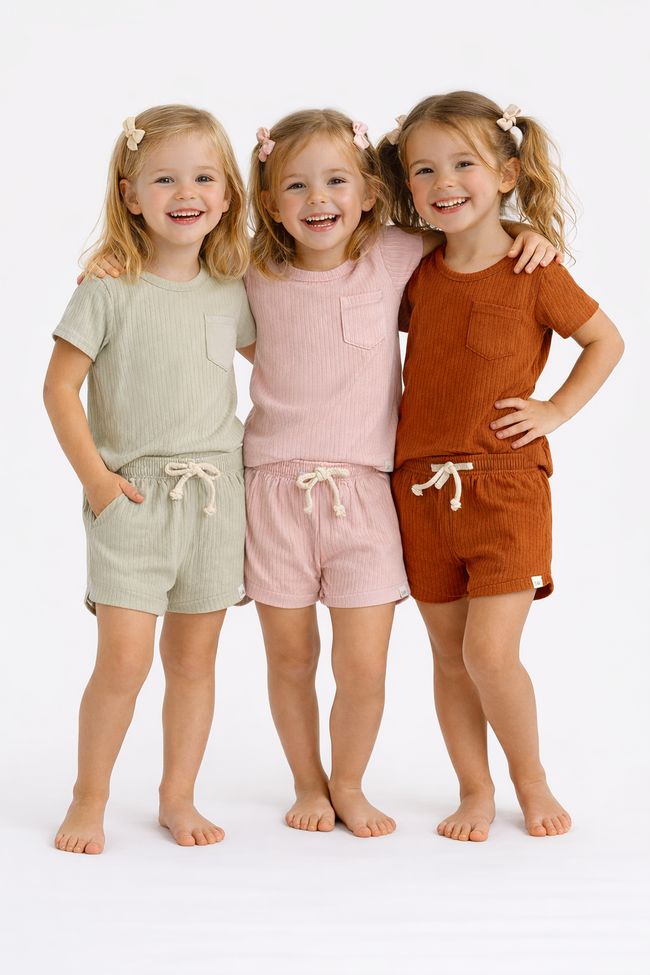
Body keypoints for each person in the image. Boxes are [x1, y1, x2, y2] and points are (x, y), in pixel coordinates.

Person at [243, 108, 557, 837]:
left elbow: (470, 229)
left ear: (367, 194)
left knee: (364, 668)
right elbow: (181, 270)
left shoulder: (390, 255)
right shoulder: (251, 269)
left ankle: (347, 782)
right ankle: (307, 783)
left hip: (368, 493)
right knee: (291, 659)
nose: (317, 199)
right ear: (268, 203)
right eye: (295, 185)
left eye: (335, 181)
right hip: (271, 488)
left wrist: (524, 234)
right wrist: (113, 262)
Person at [379, 92, 624, 841]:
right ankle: (474, 790)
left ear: (509, 172)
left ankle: (531, 779)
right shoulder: (413, 271)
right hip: (417, 489)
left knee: (490, 651)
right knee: (450, 658)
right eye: (423, 169)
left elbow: (605, 342)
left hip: (506, 487)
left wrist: (553, 410)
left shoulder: (533, 267)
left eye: (463, 163)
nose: (442, 181)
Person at [43, 105, 256, 854]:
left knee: (195, 662)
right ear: (132, 194)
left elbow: (290, 368)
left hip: (215, 503)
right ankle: (89, 795)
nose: (185, 191)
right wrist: (98, 482)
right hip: (132, 501)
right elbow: (58, 390)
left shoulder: (235, 289)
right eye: (164, 178)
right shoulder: (108, 288)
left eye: (203, 177)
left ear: (228, 193)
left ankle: (178, 795)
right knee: (123, 661)